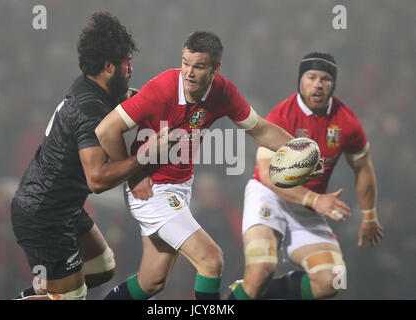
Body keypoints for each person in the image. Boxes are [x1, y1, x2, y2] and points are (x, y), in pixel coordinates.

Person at [95, 31, 302, 300]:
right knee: (211, 260)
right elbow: (106, 130)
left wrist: (299, 149)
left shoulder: (223, 92)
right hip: (151, 189)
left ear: (216, 68)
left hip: (180, 187)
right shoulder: (162, 89)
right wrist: (133, 176)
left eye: (198, 66)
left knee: (152, 282)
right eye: (185, 63)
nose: (189, 72)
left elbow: (260, 129)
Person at [11, 12, 168, 300]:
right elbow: (96, 180)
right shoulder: (89, 110)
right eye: (126, 64)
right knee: (73, 296)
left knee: (103, 267)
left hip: (60, 207)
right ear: (109, 67)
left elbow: (129, 98)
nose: (131, 69)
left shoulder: (91, 87)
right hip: (45, 215)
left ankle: (49, 293)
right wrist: (145, 155)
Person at [227, 52, 384, 300]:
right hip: (268, 197)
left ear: (333, 83)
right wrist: (314, 199)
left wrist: (369, 216)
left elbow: (363, 166)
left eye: (325, 79)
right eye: (311, 77)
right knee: (261, 271)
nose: (318, 84)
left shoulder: (346, 120)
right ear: (301, 80)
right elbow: (269, 176)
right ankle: (246, 292)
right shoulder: (283, 115)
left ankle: (260, 293)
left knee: (332, 280)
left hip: (307, 207)